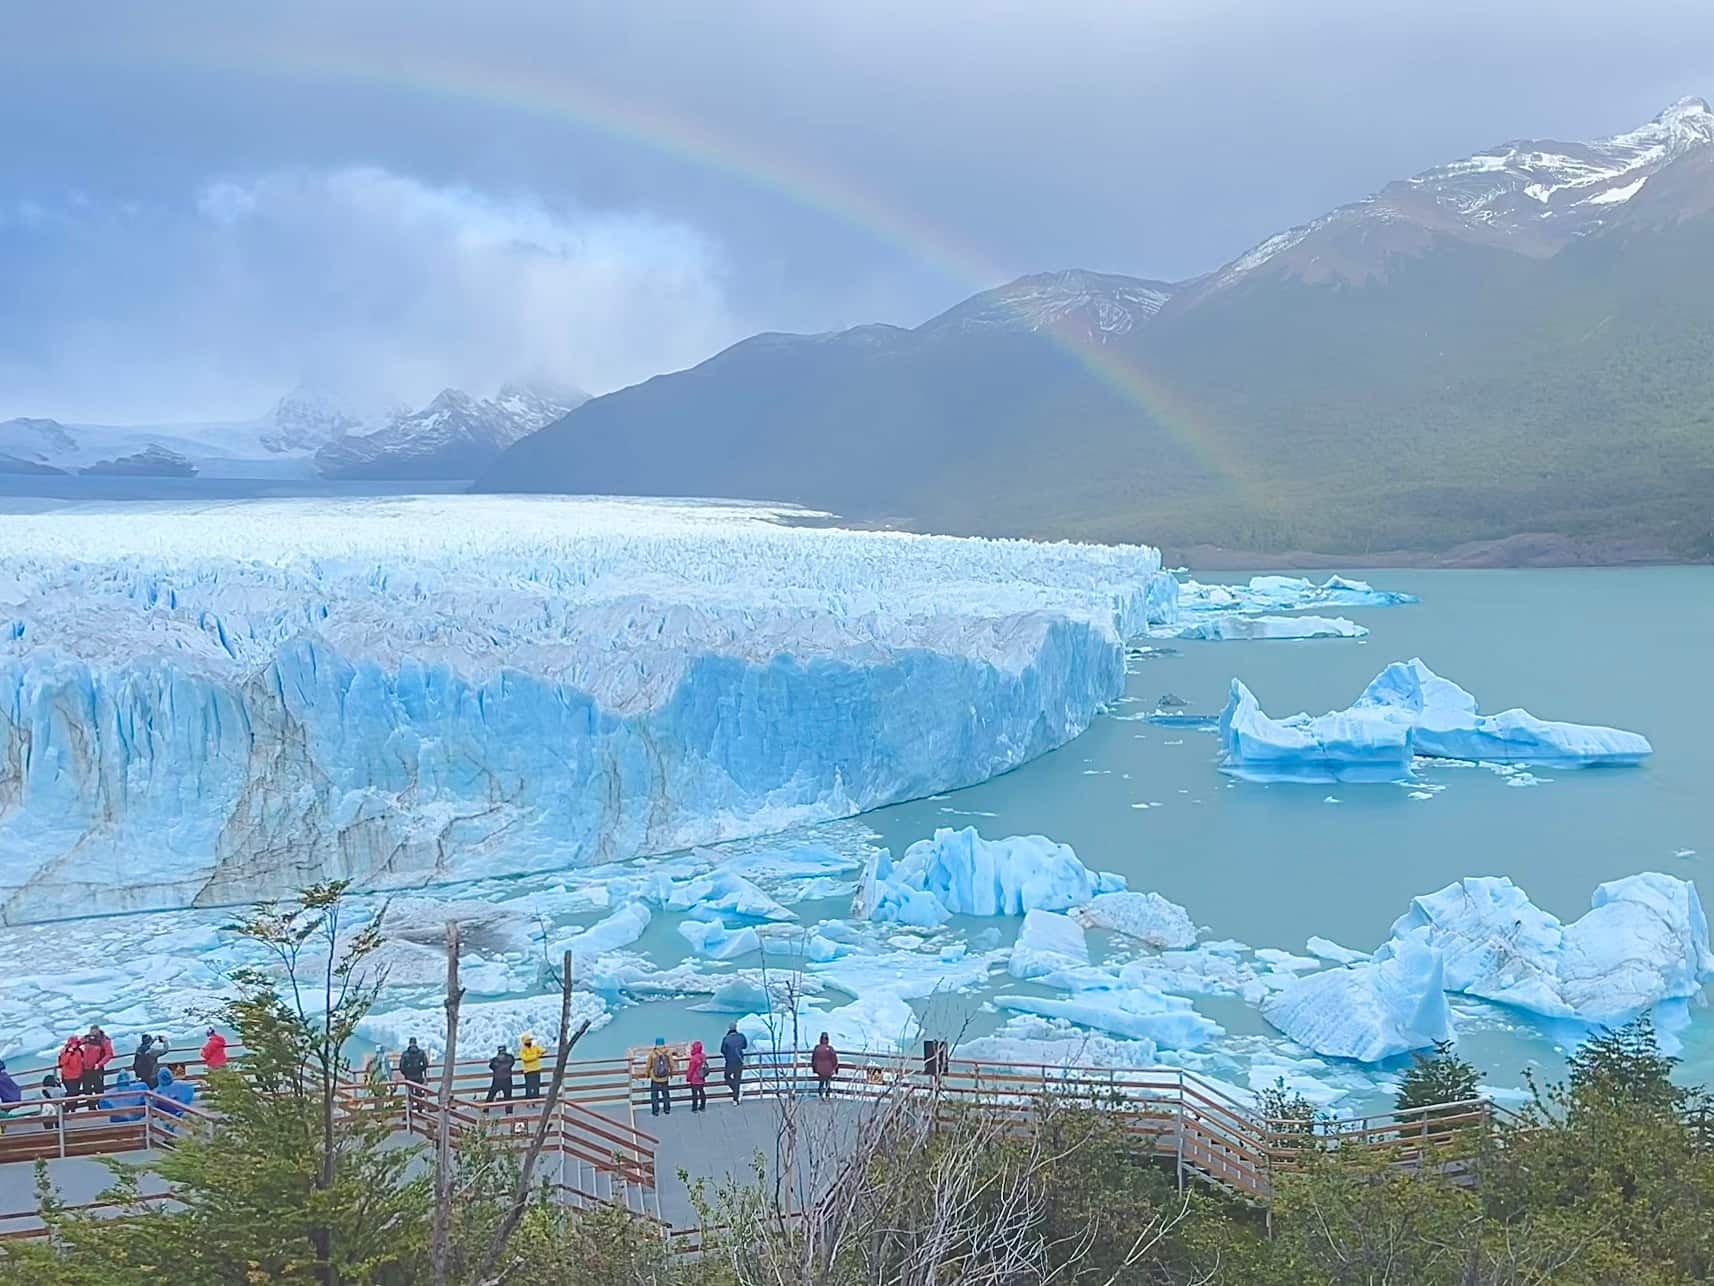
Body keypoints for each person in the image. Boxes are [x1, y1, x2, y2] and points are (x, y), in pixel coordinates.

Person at [82, 1024, 115, 1099]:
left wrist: (99, 1064)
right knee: (87, 1089)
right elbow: (76, 1044)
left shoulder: (104, 1040)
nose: (93, 1033)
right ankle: (90, 1105)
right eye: (91, 1032)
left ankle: (100, 1104)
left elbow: (109, 1054)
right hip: (85, 1068)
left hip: (97, 1068)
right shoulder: (86, 1038)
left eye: (94, 1032)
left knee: (99, 1088)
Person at [56, 1035, 86, 1113]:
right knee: (71, 1093)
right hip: (68, 1076)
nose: (74, 1044)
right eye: (73, 1043)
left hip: (78, 1075)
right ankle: (66, 1109)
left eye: (75, 1043)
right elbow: (62, 1062)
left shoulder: (79, 1050)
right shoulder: (65, 1051)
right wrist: (69, 1052)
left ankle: (73, 1110)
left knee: (76, 1093)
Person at [720, 1023, 748, 1104]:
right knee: (737, 1079)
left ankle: (735, 1093)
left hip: (730, 1061)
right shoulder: (741, 1036)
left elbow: (722, 1050)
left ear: (729, 1029)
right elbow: (744, 1046)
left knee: (727, 1076)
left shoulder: (726, 1039)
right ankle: (736, 1097)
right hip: (739, 1061)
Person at [646, 1038, 673, 1117]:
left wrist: (647, 1074)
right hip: (665, 1078)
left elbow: (648, 1066)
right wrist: (671, 1074)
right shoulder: (668, 1053)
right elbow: (672, 1065)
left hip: (655, 1078)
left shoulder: (652, 1053)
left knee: (654, 1096)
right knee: (666, 1095)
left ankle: (655, 1111)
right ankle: (667, 1110)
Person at [486, 1044, 515, 1114]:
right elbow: (512, 1063)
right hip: (507, 1079)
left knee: (491, 1095)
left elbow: (491, 1066)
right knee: (508, 1097)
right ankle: (509, 1112)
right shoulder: (510, 1058)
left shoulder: (494, 1060)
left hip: (497, 1079)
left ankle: (486, 1110)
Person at [811, 1032, 840, 1099]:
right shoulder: (830, 1049)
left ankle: (820, 1095)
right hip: (829, 1069)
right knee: (828, 1082)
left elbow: (813, 1059)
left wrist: (814, 1068)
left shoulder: (817, 1048)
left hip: (820, 1069)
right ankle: (827, 1095)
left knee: (821, 1082)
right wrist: (836, 1068)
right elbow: (834, 1059)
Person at [518, 1032, 545, 1100]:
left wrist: (537, 1046)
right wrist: (536, 1056)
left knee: (536, 1087)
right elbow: (525, 1058)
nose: (529, 1041)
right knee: (529, 1087)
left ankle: (536, 1100)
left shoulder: (534, 1046)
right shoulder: (522, 1049)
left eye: (530, 1040)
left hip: (536, 1069)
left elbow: (543, 1051)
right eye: (528, 1040)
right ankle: (528, 1101)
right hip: (528, 1071)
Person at [684, 1039, 708, 1113]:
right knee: (701, 1092)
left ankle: (694, 1108)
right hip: (701, 1077)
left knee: (694, 1094)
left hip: (694, 1079)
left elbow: (691, 1070)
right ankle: (702, 1106)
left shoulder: (693, 1059)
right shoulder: (703, 1056)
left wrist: (688, 1078)